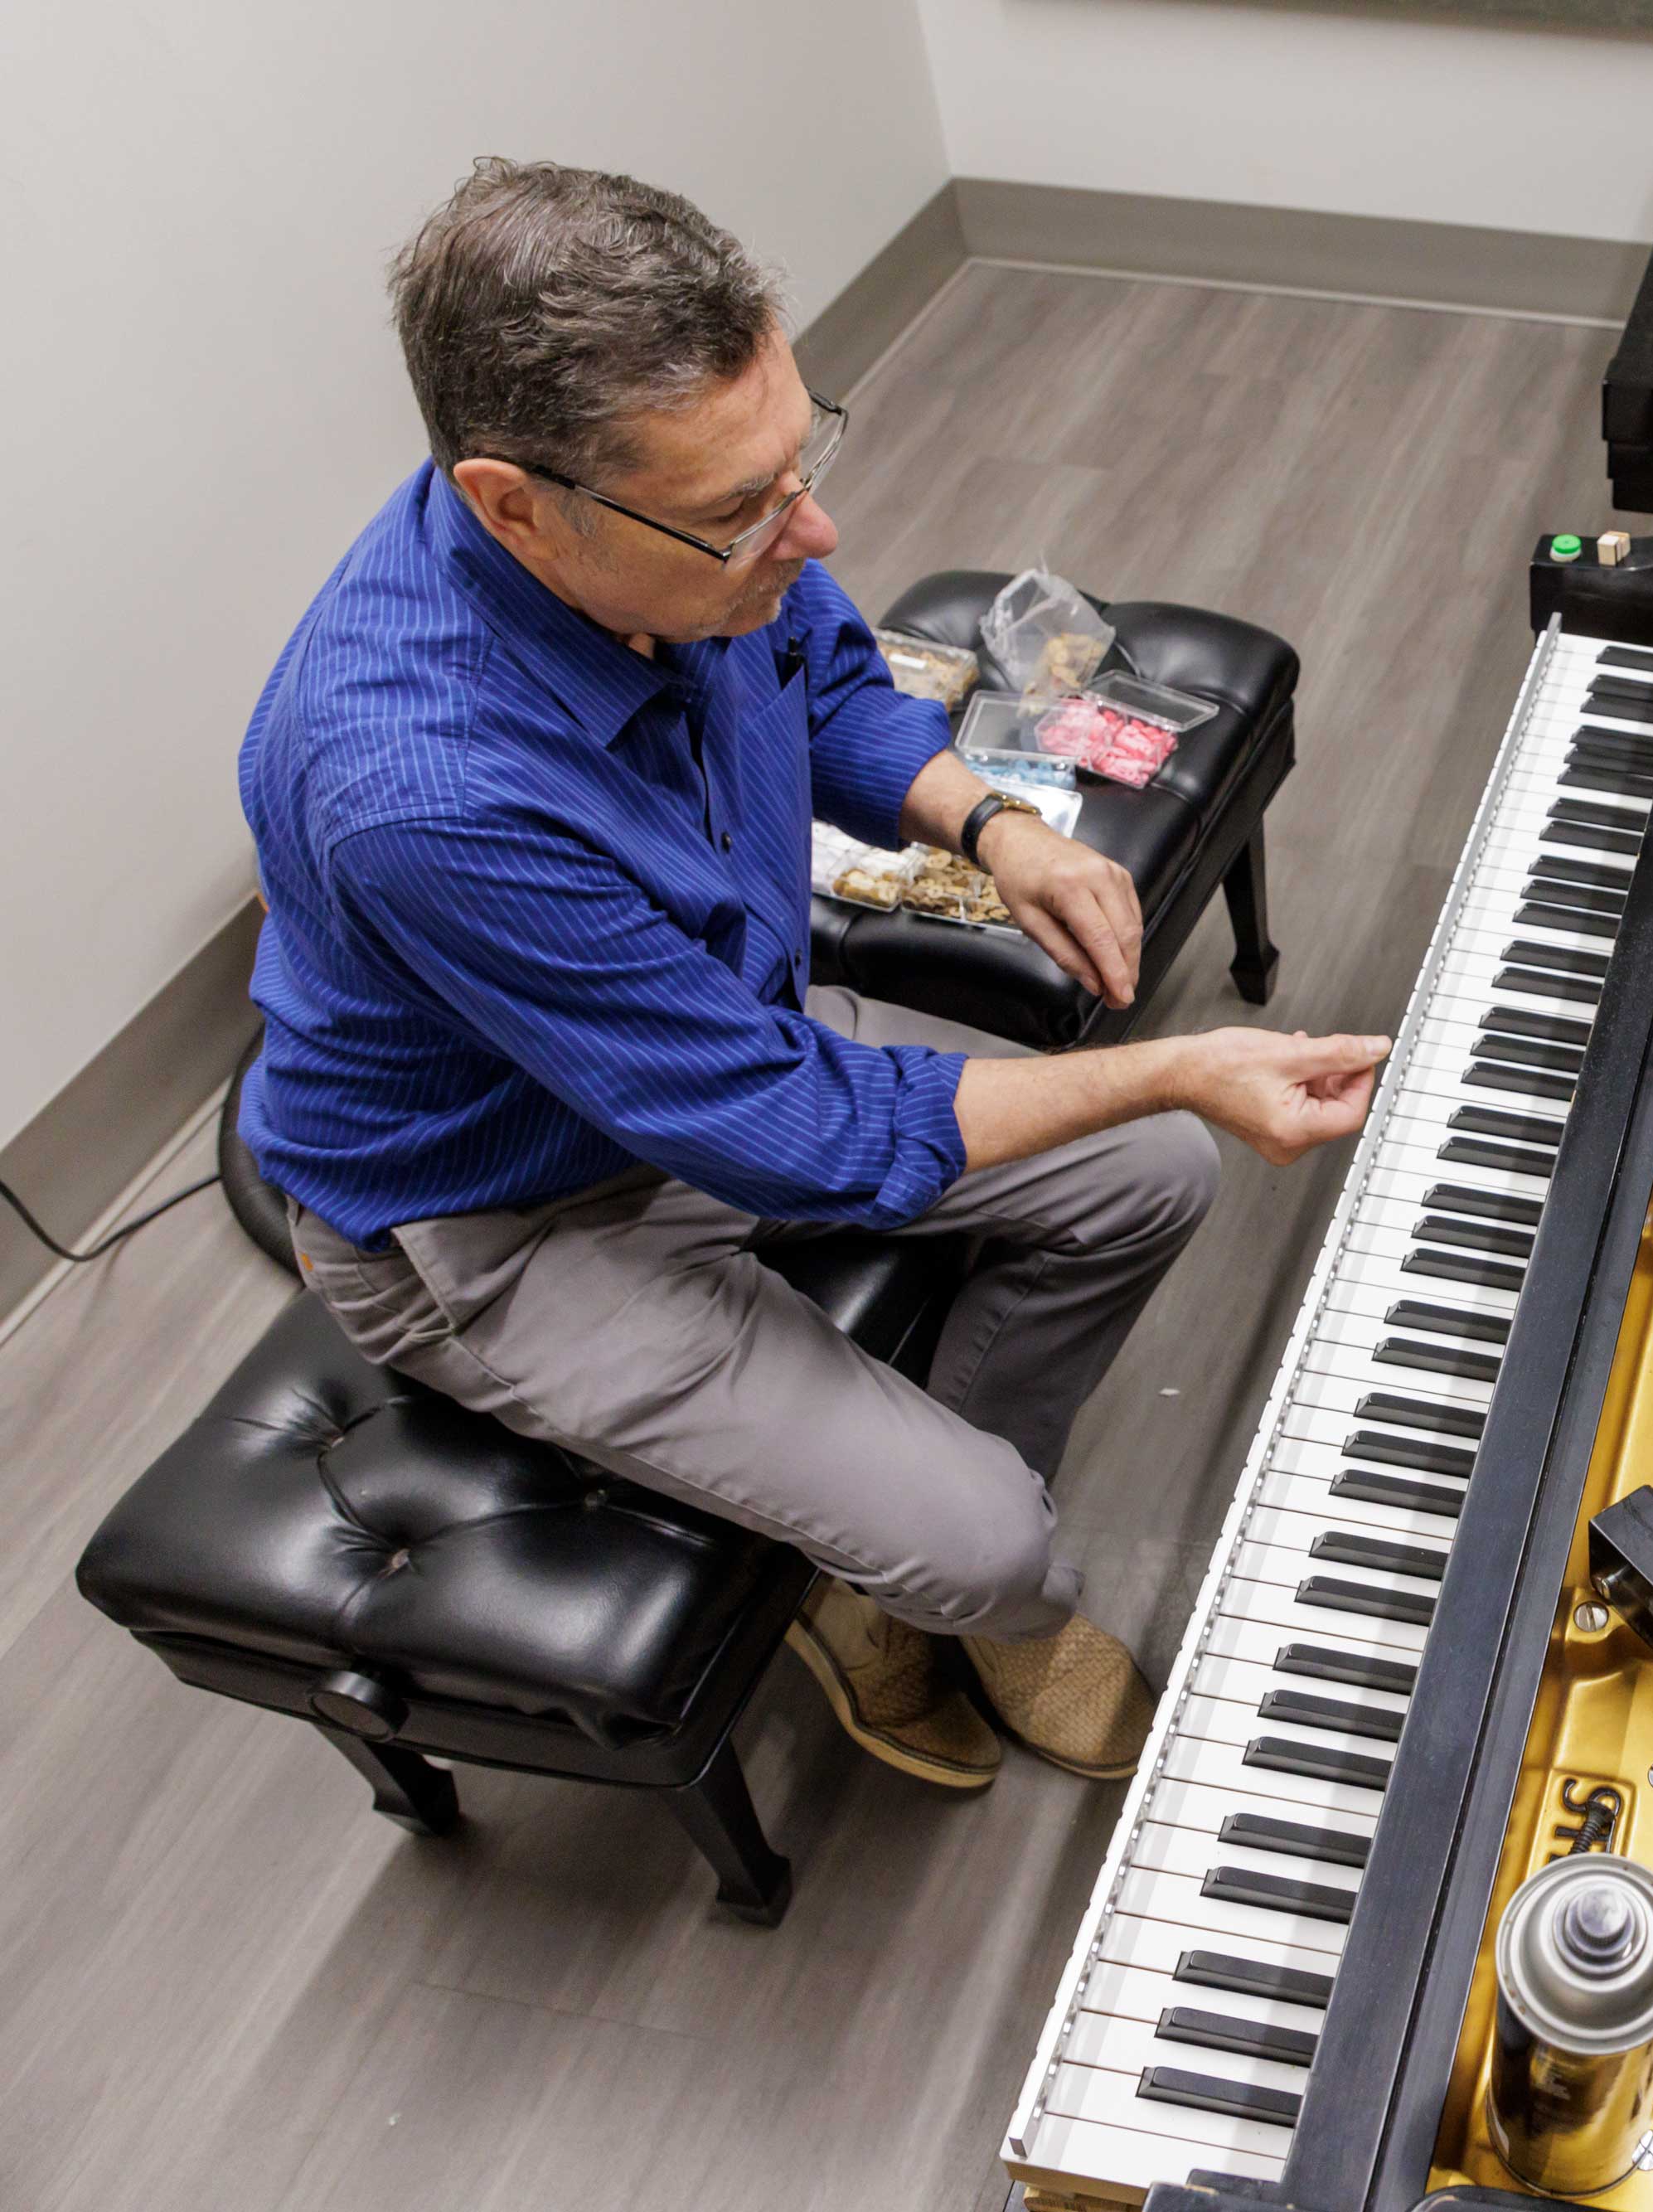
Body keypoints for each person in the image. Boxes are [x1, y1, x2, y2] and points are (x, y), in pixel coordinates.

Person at [238, 159, 1386, 1791]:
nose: (812, 529)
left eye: (798, 462)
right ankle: (964, 1577)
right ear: (511, 504)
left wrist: (997, 830)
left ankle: (899, 1537)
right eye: (742, 511)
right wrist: (1177, 1056)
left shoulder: (667, 544)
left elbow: (824, 666)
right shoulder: (418, 788)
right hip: (512, 1216)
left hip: (716, 1038)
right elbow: (795, 1129)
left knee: (1147, 1181)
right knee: (992, 1532)